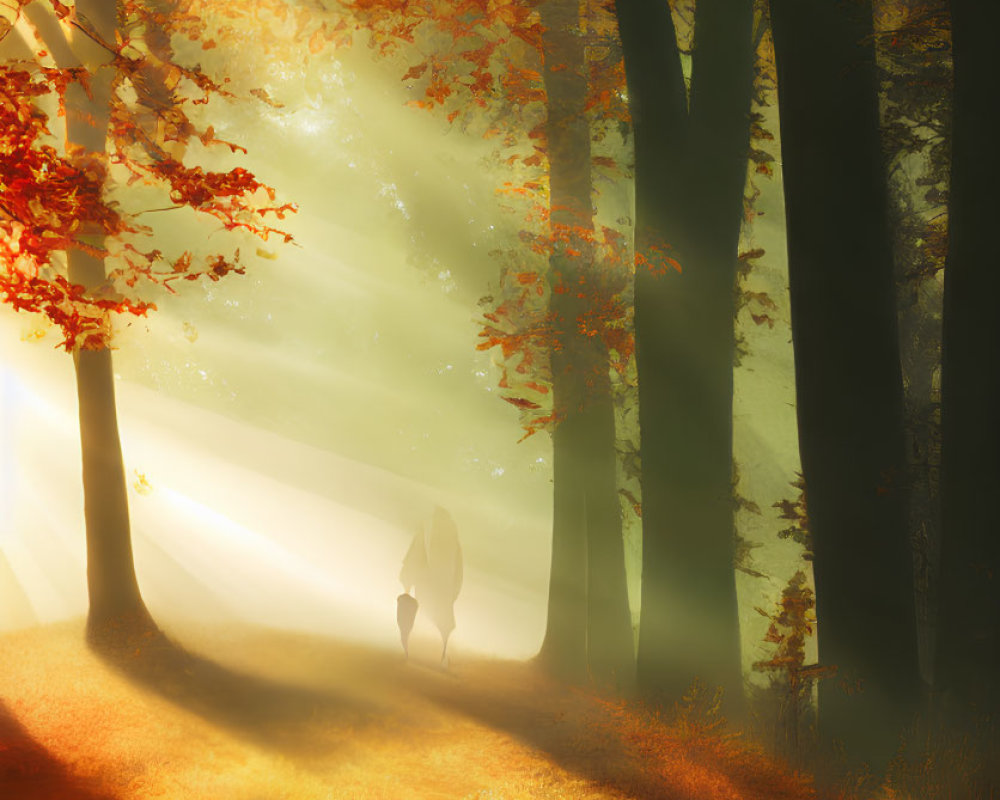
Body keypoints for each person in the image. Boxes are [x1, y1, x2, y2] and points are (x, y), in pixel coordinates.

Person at [398, 506, 463, 663]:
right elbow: (459, 567)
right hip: (445, 585)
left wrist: (407, 581)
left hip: (427, 582)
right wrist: (455, 589)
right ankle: (440, 655)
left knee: (425, 616)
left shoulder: (427, 528)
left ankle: (417, 653)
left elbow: (414, 554)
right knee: (443, 621)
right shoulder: (452, 534)